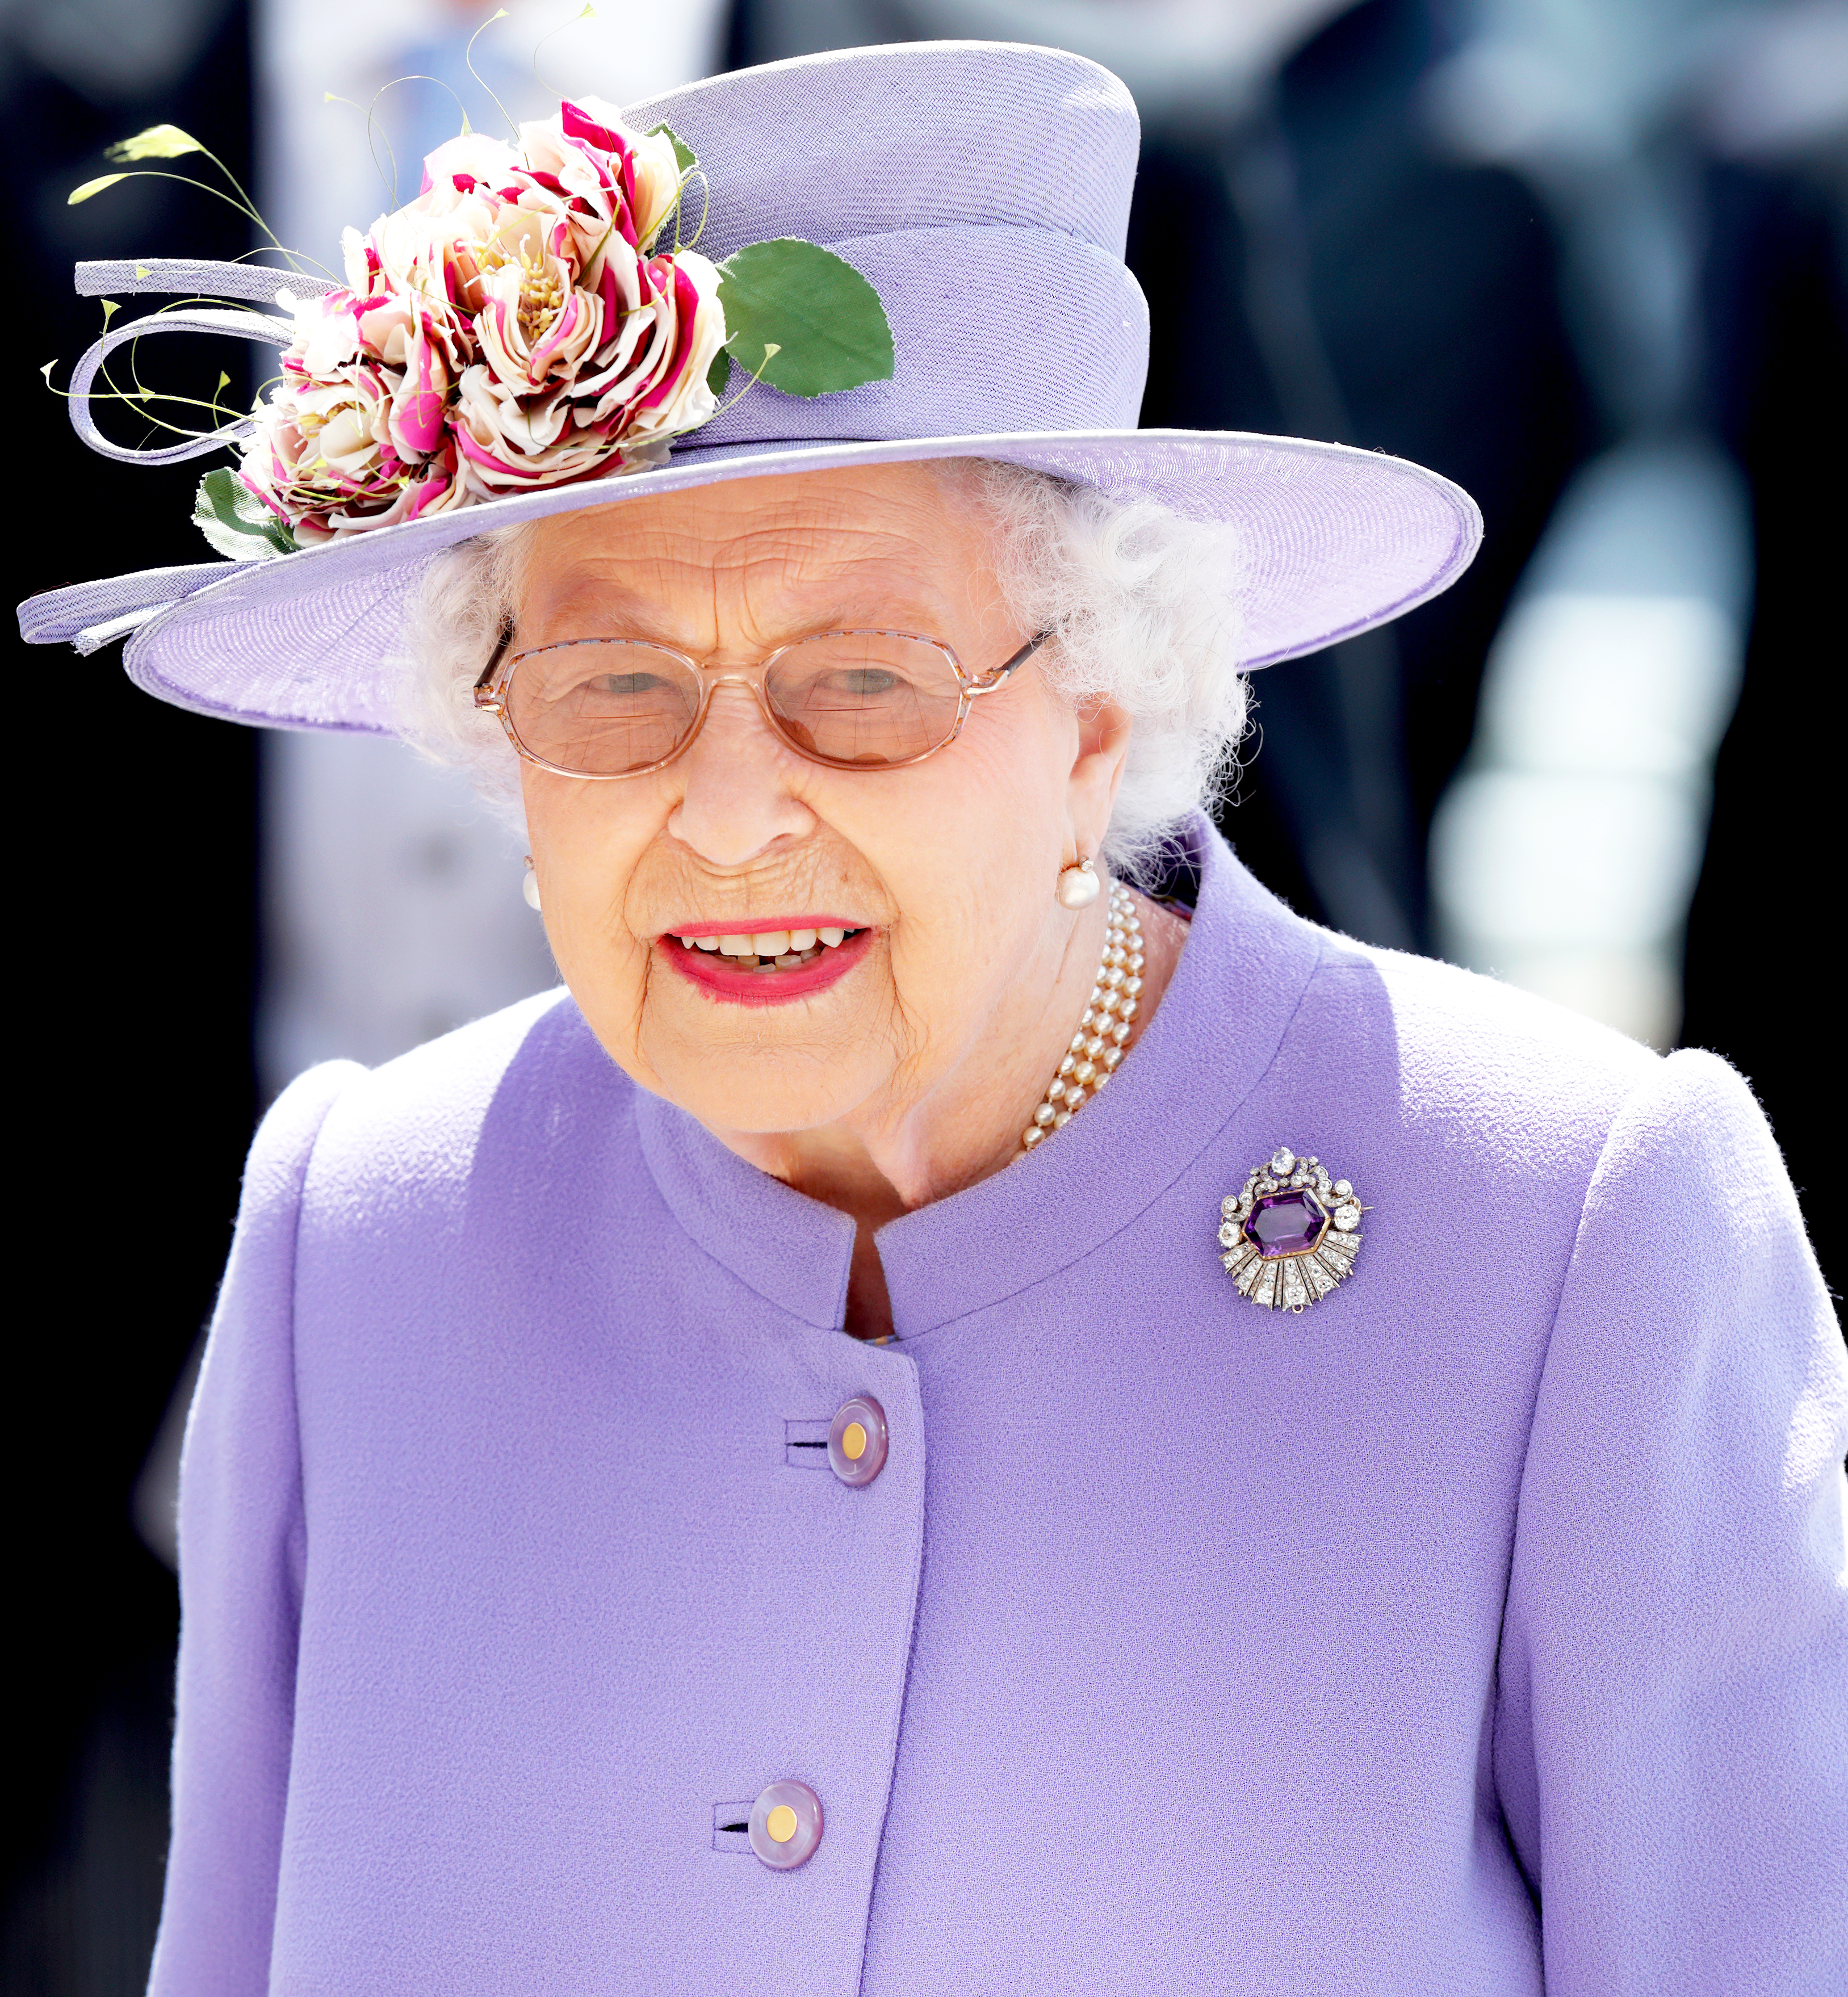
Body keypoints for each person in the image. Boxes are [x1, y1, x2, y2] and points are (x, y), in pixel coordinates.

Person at [20, 41, 1845, 1996]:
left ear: (1100, 721)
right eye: (614, 691)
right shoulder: (354, 1239)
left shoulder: (1567, 1237)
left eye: (864, 684)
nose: (725, 816)